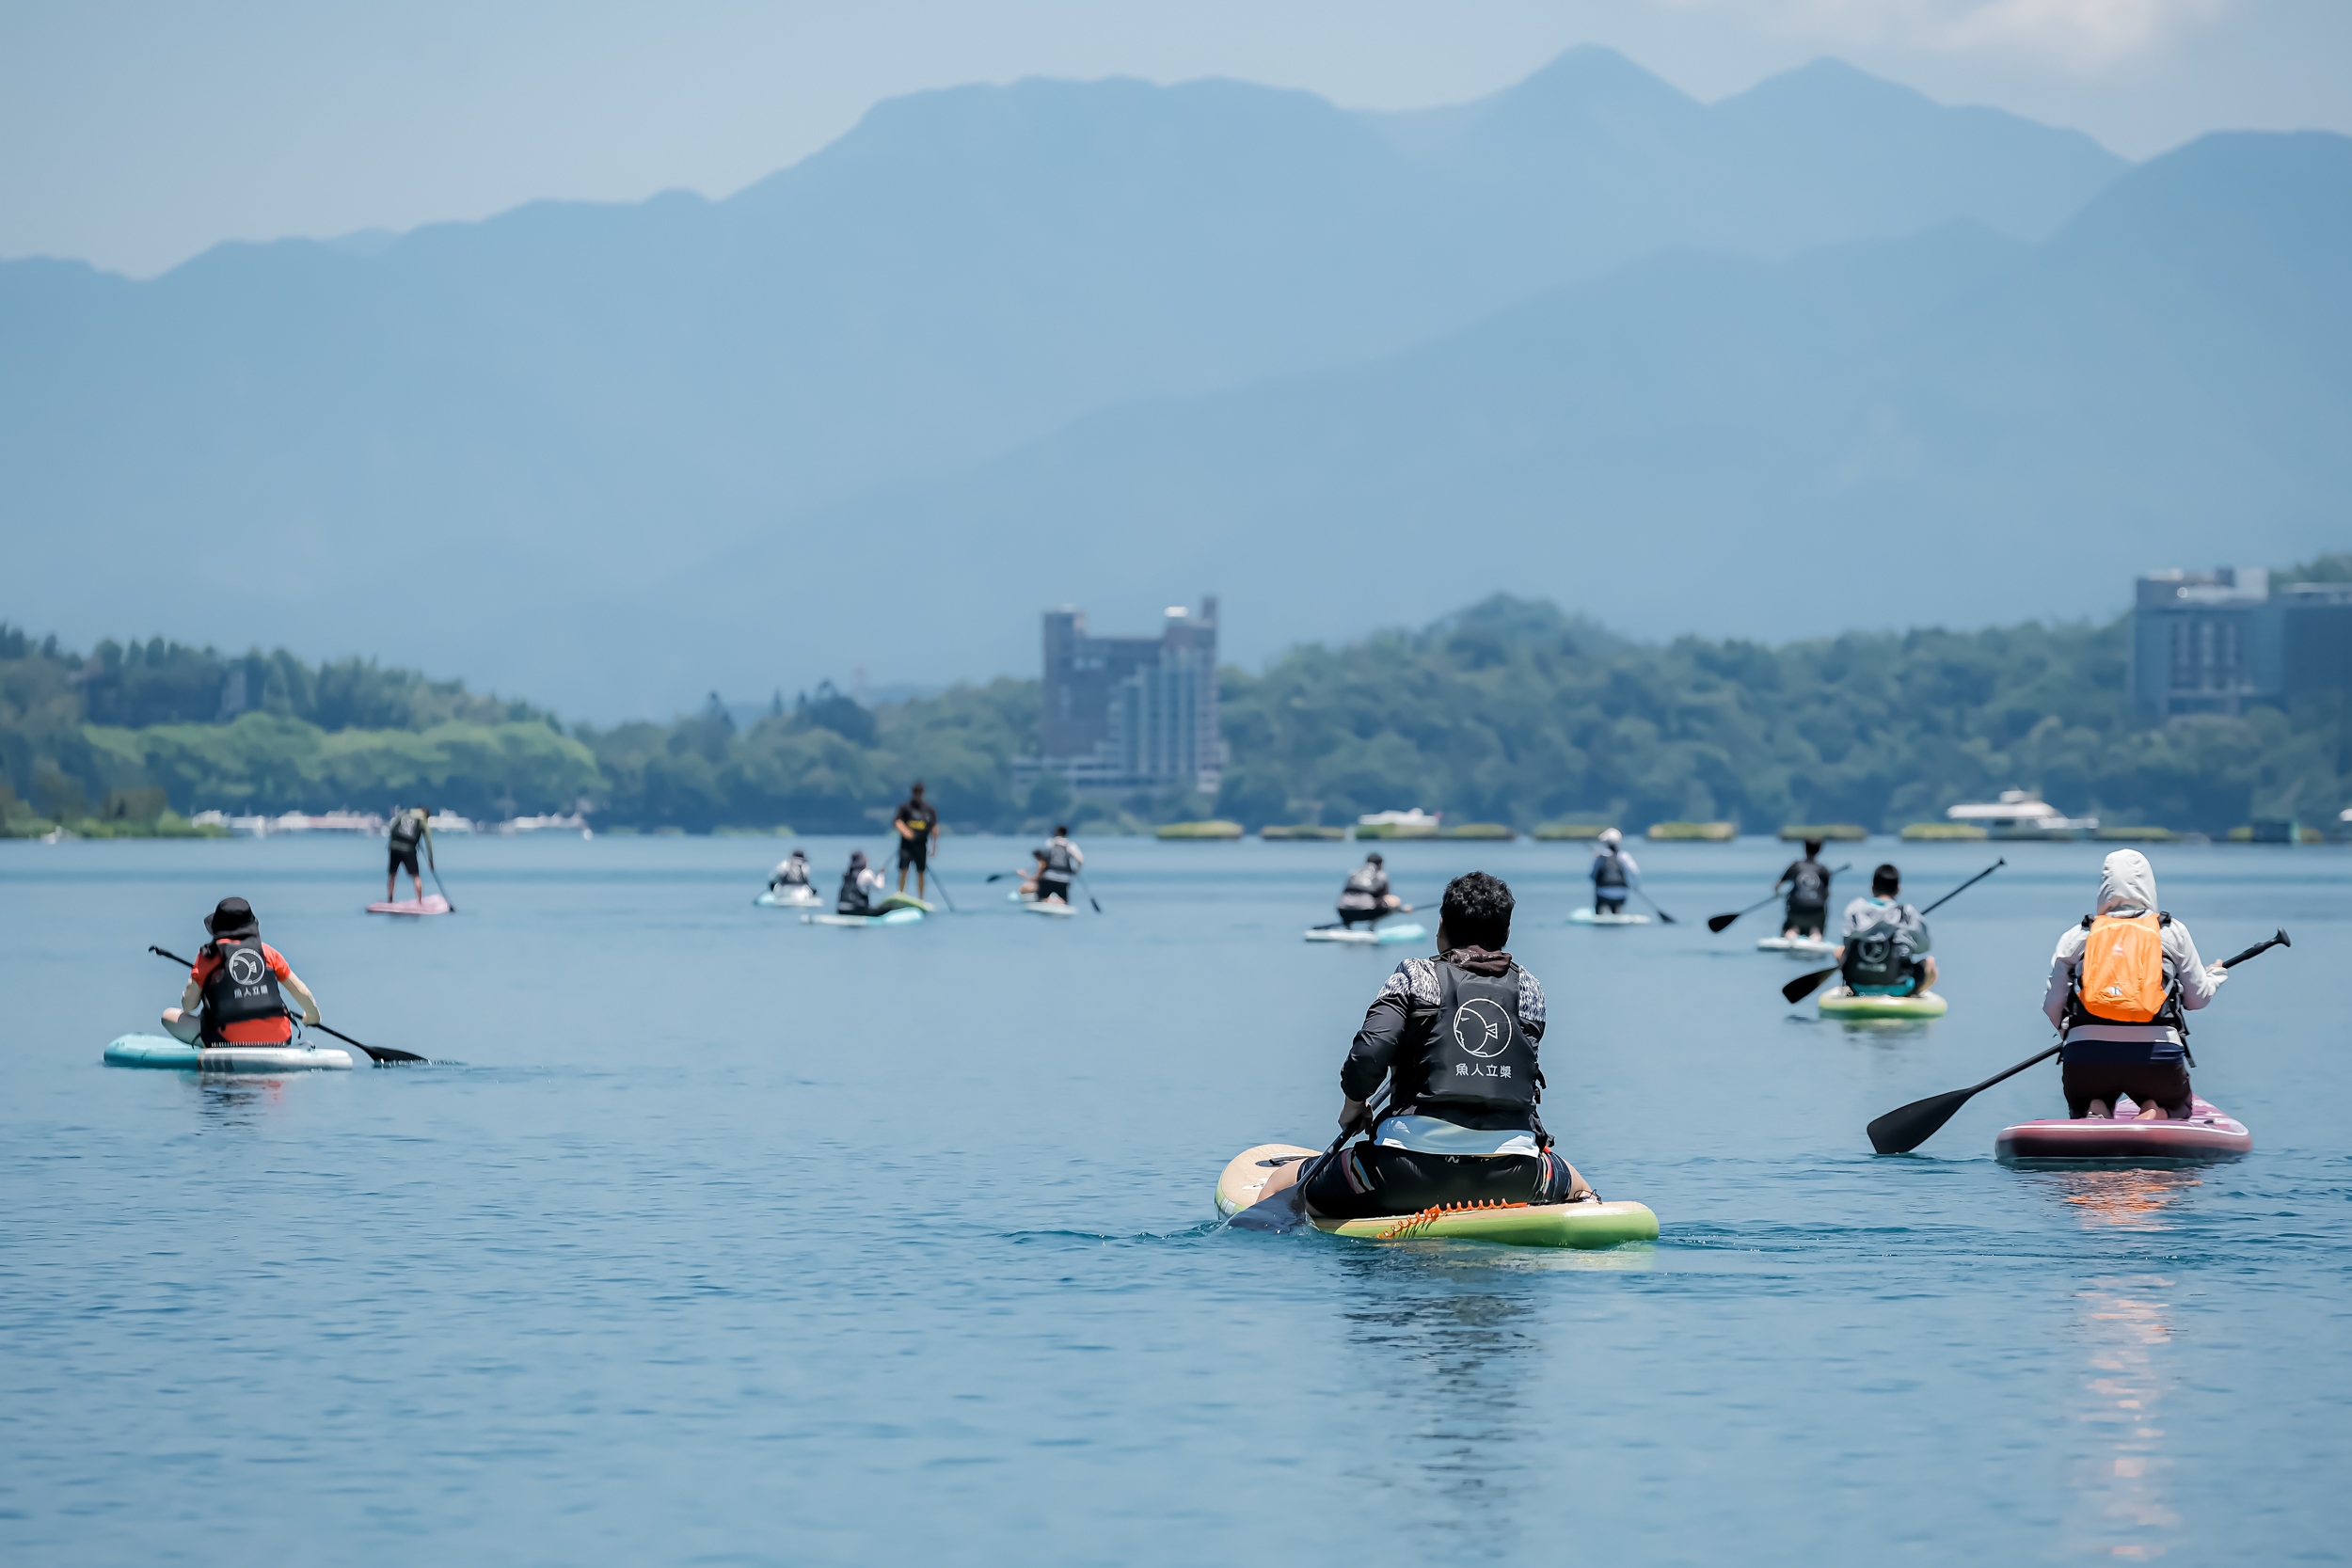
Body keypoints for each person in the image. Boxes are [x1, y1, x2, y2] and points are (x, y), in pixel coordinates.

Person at [1250, 871, 1597, 1220]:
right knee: (1577, 1183)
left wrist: (1354, 1106)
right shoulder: (1530, 988)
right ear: (1506, 932)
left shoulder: (1416, 976)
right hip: (1516, 1177)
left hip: (1403, 1175)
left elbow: (1370, 1052)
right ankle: (1588, 1204)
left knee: (1281, 1182)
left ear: (1442, 926)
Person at [2041, 849, 2227, 1121]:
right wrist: (2215, 975)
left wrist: (2072, 1035)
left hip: (2086, 1058)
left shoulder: (2078, 935)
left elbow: (2052, 1005)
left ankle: (2095, 1106)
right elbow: (2196, 999)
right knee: (2177, 1108)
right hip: (2157, 1058)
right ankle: (2155, 1109)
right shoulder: (2171, 930)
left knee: (2085, 1101)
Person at [161, 897, 323, 1047]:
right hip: (280, 1039)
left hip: (227, 1041)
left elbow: (188, 1006)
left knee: (168, 1016)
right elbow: (301, 992)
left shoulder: (208, 956)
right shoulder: (269, 953)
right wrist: (312, 1018)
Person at [1834, 863, 1938, 996]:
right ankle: (1913, 995)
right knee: (1929, 962)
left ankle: (1856, 989)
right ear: (1898, 889)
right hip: (1898, 989)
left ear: (1872, 887)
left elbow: (1847, 943)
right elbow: (1924, 947)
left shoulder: (1856, 910)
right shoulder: (1907, 914)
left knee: (1839, 952)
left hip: (1858, 985)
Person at [1775, 839, 1833, 939]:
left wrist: (1779, 894)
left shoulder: (1795, 866)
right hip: (1817, 911)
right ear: (1819, 850)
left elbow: (1777, 886)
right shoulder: (1824, 870)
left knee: (1793, 928)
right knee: (1815, 930)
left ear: (1804, 849)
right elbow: (1827, 895)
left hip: (1796, 909)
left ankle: (1791, 934)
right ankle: (1815, 936)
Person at [893, 782, 940, 899]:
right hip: (907, 845)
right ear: (913, 793)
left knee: (921, 872)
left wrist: (934, 846)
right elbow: (898, 822)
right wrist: (906, 832)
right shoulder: (905, 807)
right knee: (904, 869)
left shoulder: (929, 809)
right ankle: (901, 894)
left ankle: (921, 898)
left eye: (920, 793)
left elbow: (934, 827)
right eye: (916, 793)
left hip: (921, 845)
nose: (918, 795)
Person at [1335, 851, 1407, 928]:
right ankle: (1371, 927)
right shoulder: (1380, 875)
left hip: (1343, 912)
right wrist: (1402, 910)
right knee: (1394, 901)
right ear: (1380, 864)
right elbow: (1388, 898)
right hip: (1365, 912)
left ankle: (1347, 927)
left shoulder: (1353, 873)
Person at [386, 803, 431, 905]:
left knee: (392, 874)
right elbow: (428, 841)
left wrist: (392, 843)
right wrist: (431, 861)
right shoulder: (422, 820)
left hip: (394, 847)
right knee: (416, 876)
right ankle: (420, 902)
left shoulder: (404, 814)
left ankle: (390, 900)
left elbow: (392, 828)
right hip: (408, 849)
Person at [1590, 828, 1638, 915]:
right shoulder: (1624, 856)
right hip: (1621, 894)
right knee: (1617, 910)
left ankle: (1599, 913)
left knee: (1599, 908)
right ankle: (1617, 912)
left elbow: (1592, 876)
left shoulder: (1601, 857)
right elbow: (1634, 872)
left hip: (1603, 893)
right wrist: (1634, 885)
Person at [1038, 825, 1083, 906]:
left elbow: (1043, 856)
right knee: (1064, 901)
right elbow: (1080, 860)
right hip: (1064, 879)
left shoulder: (1050, 842)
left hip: (1049, 877)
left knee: (1042, 898)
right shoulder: (1071, 845)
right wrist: (1075, 870)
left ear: (1056, 832)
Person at [837, 849, 886, 916]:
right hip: (856, 909)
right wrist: (881, 874)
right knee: (885, 909)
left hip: (841, 909)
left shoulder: (847, 873)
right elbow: (878, 887)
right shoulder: (866, 873)